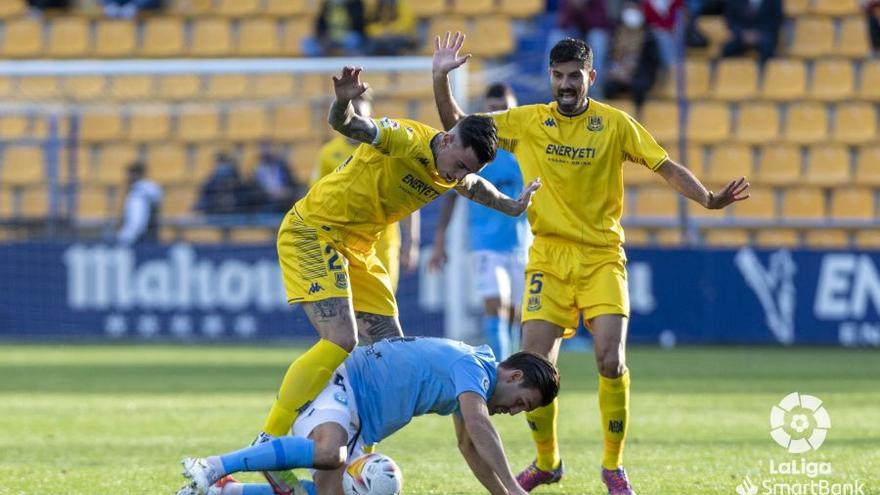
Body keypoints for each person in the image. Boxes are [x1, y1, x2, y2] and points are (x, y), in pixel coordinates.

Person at [433, 33, 750, 494]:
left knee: (609, 359)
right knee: (533, 365)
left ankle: (613, 466)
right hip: (548, 255)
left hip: (602, 255)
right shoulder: (526, 121)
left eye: (574, 76)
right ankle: (547, 461)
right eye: (559, 76)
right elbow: (459, 127)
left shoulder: (616, 124)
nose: (566, 85)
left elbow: (664, 165)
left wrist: (707, 198)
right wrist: (441, 78)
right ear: (550, 77)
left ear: (591, 77)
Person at [256, 65, 541, 492]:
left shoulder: (454, 167)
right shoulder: (405, 138)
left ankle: (350, 460)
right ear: (445, 139)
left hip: (357, 247)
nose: (455, 176)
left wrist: (513, 206)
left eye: (465, 170)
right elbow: (347, 124)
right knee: (341, 339)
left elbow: (476, 187)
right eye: (457, 165)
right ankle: (270, 444)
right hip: (313, 232)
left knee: (387, 361)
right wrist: (343, 100)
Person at [177, 338, 559, 495]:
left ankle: (227, 490)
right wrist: (513, 485)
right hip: (343, 386)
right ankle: (212, 465)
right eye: (521, 403)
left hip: (358, 418)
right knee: (331, 453)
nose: (512, 412)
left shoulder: (473, 379)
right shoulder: (474, 368)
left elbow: (468, 444)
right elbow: (479, 425)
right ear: (513, 376)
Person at [429, 82, 528, 361]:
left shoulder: (523, 150)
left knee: (514, 313)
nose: (498, 113)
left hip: (521, 244)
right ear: (485, 110)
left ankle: (511, 365)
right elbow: (451, 195)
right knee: (495, 307)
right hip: (485, 243)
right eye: (493, 109)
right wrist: (439, 242)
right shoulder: (478, 151)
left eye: (504, 109)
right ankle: (499, 370)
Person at [313, 94, 420, 292]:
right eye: (352, 116)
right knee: (349, 306)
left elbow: (407, 198)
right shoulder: (328, 154)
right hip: (342, 242)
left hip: (383, 242)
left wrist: (411, 243)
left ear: (370, 114)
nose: (355, 123)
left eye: (360, 116)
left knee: (382, 306)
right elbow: (317, 200)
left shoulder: (386, 149)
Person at [546, 0, 612, 99]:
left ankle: (595, 88)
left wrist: (584, 9)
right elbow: (562, 23)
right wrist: (573, 8)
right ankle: (550, 86)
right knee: (556, 36)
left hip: (592, 35)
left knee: (597, 39)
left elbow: (601, 23)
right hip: (576, 34)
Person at [604, 2, 662, 109]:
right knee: (608, 87)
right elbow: (611, 57)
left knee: (640, 88)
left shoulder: (649, 37)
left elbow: (651, 65)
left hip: (639, 78)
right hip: (619, 77)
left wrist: (633, 72)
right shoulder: (616, 33)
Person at [720, 0, 783, 65]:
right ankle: (730, 72)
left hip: (764, 35)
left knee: (767, 48)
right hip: (742, 35)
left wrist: (759, 33)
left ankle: (766, 72)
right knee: (728, 49)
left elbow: (777, 20)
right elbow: (731, 20)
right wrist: (743, 33)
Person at [116, 162, 163, 244]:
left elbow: (137, 219)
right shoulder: (138, 191)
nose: (127, 178)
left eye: (130, 174)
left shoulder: (141, 193)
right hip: (144, 233)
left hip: (142, 236)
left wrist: (125, 236)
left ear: (136, 175)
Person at [302, 0, 367, 57]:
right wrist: (323, 37)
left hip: (347, 38)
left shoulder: (356, 4)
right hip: (329, 38)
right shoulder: (328, 4)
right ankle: (320, 64)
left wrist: (349, 4)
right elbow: (320, 24)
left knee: (354, 39)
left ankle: (349, 60)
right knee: (307, 42)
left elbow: (359, 25)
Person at [254, 145, 301, 214]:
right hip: (267, 198)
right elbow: (258, 188)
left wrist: (287, 190)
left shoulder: (281, 167)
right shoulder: (259, 170)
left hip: (285, 195)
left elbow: (291, 181)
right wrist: (272, 193)